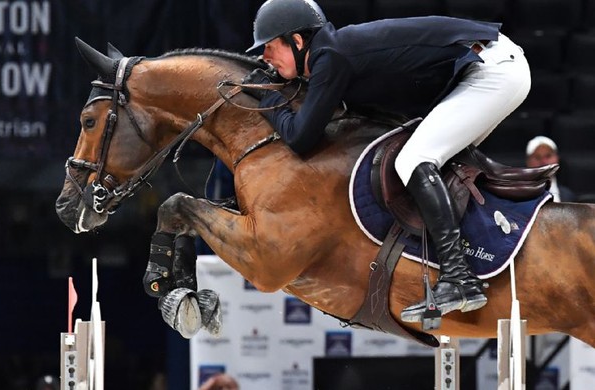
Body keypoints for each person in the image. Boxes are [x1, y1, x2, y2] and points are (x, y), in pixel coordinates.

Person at [243, 0, 531, 322]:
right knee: (431, 163)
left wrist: (269, 99)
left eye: (269, 47)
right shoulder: (331, 54)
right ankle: (465, 262)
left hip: (492, 69)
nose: (264, 57)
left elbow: (299, 138)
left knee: (414, 159)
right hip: (488, 67)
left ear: (297, 41)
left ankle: (459, 278)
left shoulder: (331, 56)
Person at [525, 136, 576, 202]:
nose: (544, 162)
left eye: (548, 156)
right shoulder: (519, 195)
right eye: (537, 157)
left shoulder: (568, 195)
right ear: (528, 162)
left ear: (557, 159)